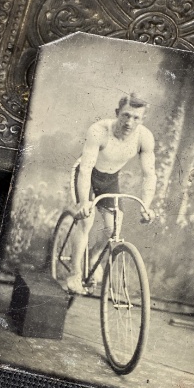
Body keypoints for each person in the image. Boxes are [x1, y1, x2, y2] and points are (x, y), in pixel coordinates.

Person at [66, 93, 157, 294]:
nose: (129, 122)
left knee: (113, 229)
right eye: (125, 115)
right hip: (86, 174)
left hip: (110, 180)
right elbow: (86, 169)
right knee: (86, 220)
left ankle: (92, 257)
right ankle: (74, 274)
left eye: (136, 118)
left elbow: (149, 175)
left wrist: (146, 205)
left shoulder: (144, 138)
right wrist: (83, 202)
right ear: (117, 113)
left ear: (142, 120)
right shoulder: (99, 131)